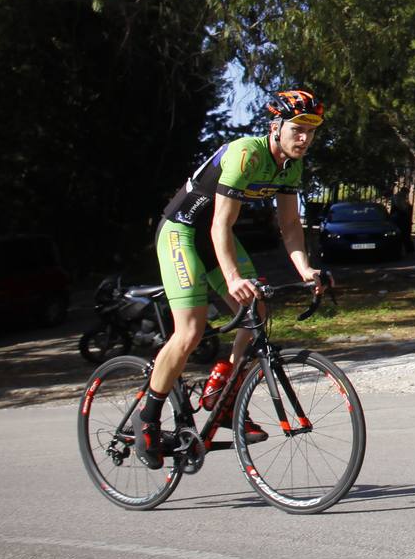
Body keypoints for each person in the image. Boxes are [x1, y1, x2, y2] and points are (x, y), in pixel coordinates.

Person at [134, 89, 331, 469]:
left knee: (255, 306)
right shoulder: (247, 153)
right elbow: (221, 224)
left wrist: (306, 270)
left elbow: (289, 224)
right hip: (184, 232)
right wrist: (233, 276)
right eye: (297, 129)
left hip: (214, 238)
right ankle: (148, 420)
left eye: (312, 131)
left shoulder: (291, 165)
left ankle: (220, 393)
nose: (304, 138)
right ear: (276, 127)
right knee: (189, 332)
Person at [391, 186, 415, 253]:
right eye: (407, 193)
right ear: (404, 192)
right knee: (403, 234)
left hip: (400, 218)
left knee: (404, 235)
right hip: (400, 218)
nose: (407, 194)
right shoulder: (398, 197)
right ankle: (407, 249)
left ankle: (407, 249)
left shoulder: (401, 197)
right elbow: (401, 207)